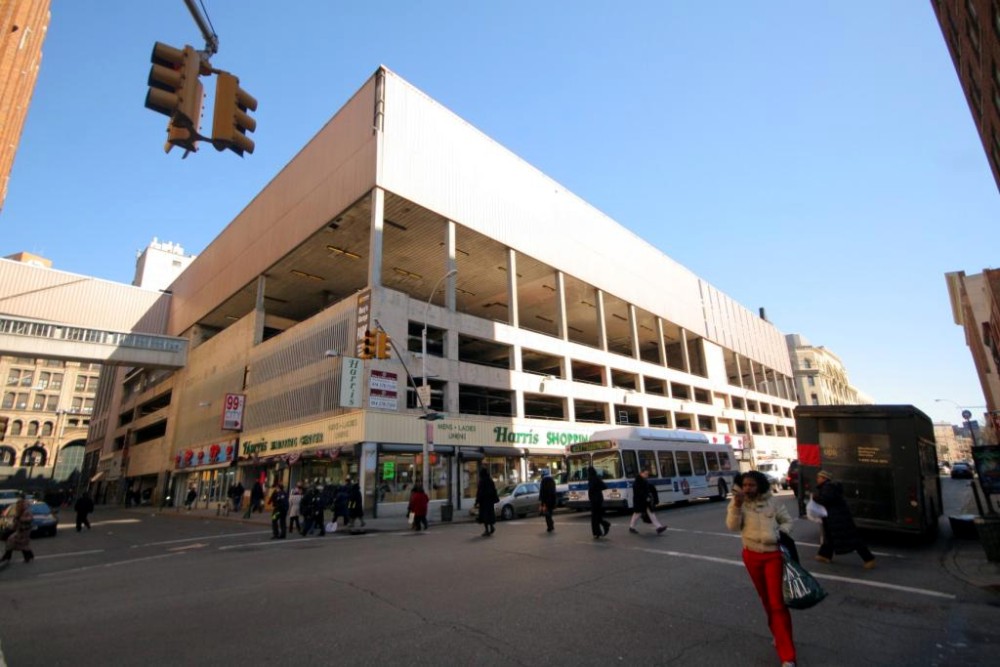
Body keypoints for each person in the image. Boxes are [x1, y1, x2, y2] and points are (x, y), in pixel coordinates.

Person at [725, 470, 797, 667]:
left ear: (760, 486)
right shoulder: (738, 503)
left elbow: (787, 521)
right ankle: (777, 633)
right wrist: (737, 506)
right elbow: (732, 526)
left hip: (774, 556)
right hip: (751, 555)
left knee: (777, 604)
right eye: (745, 485)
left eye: (752, 485)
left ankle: (787, 656)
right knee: (766, 600)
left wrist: (780, 534)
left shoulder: (773, 502)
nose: (748, 489)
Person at [812, 470, 876, 569]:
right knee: (830, 537)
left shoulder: (828, 487)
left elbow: (826, 500)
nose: (817, 479)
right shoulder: (829, 486)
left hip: (837, 518)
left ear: (824, 478)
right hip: (836, 517)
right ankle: (824, 555)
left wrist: (815, 498)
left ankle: (869, 559)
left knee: (852, 539)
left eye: (819, 477)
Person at [628, 468, 667, 535]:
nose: (647, 475)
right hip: (640, 501)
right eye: (645, 474)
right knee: (637, 514)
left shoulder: (643, 481)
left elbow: (647, 489)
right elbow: (639, 492)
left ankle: (659, 527)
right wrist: (646, 497)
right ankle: (631, 527)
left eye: (647, 474)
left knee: (650, 513)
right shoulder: (638, 482)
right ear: (641, 473)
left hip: (644, 501)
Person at [1, 496, 35, 565]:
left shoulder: (26, 512)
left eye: (20, 505)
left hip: (25, 531)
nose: (18, 506)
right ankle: (28, 555)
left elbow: (29, 519)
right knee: (19, 543)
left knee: (14, 541)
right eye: (18, 505)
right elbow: (15, 523)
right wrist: (11, 528)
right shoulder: (19, 513)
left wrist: (21, 519)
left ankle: (8, 556)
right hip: (20, 531)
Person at [588, 466, 611, 539]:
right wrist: (598, 489)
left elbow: (591, 489)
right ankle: (603, 527)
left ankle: (597, 532)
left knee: (594, 516)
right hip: (599, 498)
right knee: (597, 516)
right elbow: (604, 486)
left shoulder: (591, 479)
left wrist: (594, 491)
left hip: (594, 500)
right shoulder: (597, 478)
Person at [475, 468, 499, 537]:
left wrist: (477, 501)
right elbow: (494, 490)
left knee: (484, 516)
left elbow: (479, 492)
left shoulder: (482, 481)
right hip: (490, 502)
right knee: (490, 515)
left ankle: (487, 530)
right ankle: (491, 527)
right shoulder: (490, 481)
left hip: (484, 502)